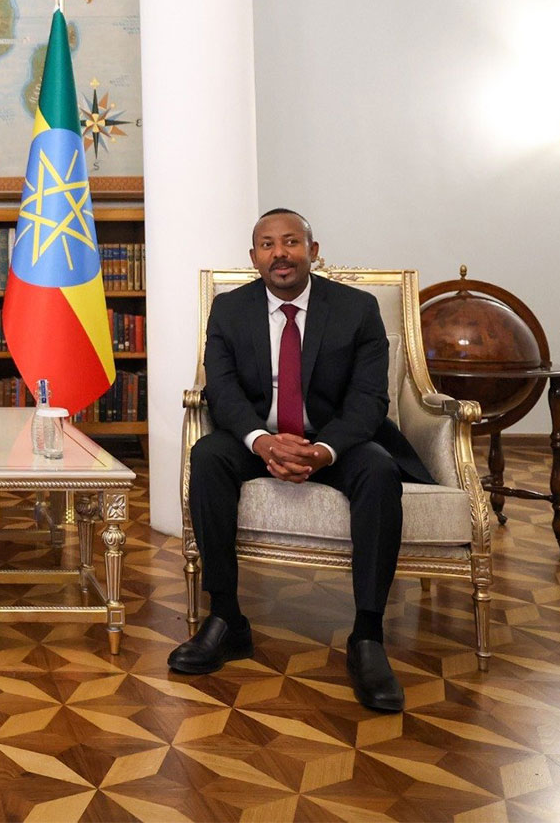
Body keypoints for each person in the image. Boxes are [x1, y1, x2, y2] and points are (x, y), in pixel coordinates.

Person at [169, 209, 434, 712]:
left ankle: (368, 636)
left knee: (379, 469)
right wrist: (261, 442)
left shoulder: (357, 309)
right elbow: (221, 390)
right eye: (267, 245)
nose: (280, 254)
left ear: (313, 251)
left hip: (336, 441)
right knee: (208, 456)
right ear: (254, 258)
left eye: (291, 242)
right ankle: (226, 619)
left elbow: (369, 399)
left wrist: (321, 451)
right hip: (259, 438)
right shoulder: (230, 309)